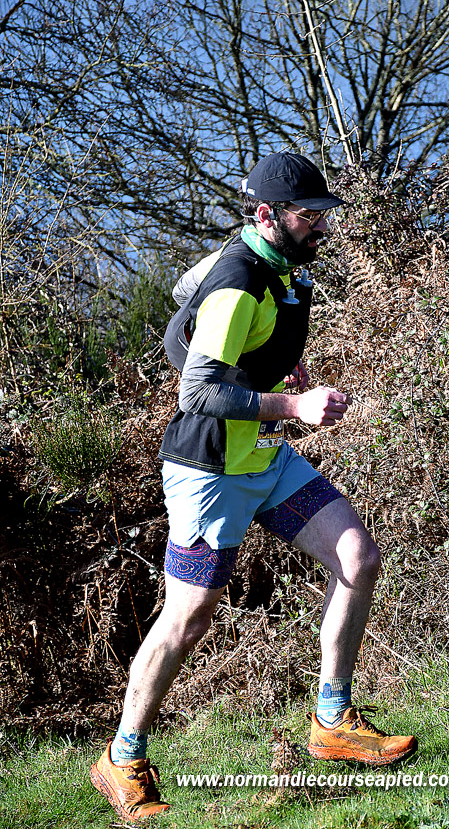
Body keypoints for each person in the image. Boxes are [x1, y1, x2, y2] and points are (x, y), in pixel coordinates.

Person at [90, 152, 417, 821]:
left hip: (265, 461)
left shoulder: (280, 266)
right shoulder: (238, 281)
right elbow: (197, 391)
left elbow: (193, 303)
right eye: (308, 216)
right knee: (188, 618)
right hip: (209, 472)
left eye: (324, 215)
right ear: (266, 215)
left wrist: (273, 363)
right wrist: (293, 406)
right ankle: (121, 758)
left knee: (358, 557)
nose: (320, 227)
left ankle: (332, 722)